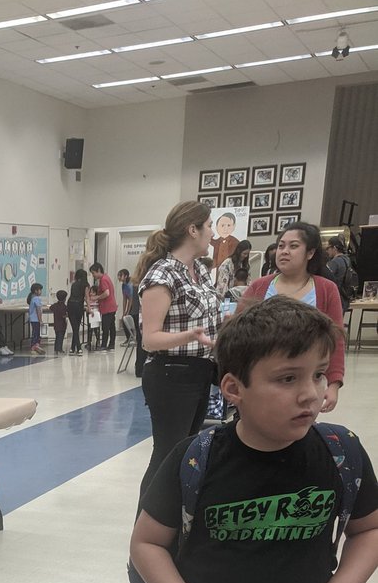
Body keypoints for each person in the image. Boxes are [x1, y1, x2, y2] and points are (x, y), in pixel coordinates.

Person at [130, 298, 378, 583]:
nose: (310, 395)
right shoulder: (196, 458)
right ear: (233, 389)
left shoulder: (341, 453)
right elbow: (146, 543)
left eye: (317, 375)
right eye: (287, 379)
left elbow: (369, 529)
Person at [134, 200, 220, 501]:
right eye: (209, 226)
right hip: (171, 375)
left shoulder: (198, 270)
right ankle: (145, 526)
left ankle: (172, 519)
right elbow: (150, 340)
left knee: (186, 451)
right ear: (192, 229)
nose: (213, 233)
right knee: (168, 454)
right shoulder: (162, 274)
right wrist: (188, 336)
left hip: (200, 372)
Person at [241, 221, 345, 412]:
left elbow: (336, 338)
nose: (284, 251)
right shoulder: (259, 286)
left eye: (293, 246)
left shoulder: (325, 289)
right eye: (281, 246)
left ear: (310, 253)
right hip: (260, 382)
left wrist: (334, 383)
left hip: (304, 385)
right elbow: (236, 333)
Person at [90, 263, 117, 350]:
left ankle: (104, 345)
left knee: (105, 327)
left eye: (93, 273)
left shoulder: (103, 280)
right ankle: (111, 344)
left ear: (98, 270)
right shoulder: (106, 277)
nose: (93, 275)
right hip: (112, 306)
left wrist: (97, 297)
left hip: (107, 307)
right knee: (111, 326)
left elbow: (106, 293)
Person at [325, 235, 355, 312]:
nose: (327, 251)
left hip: (334, 299)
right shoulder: (347, 260)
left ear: (334, 248)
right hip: (344, 299)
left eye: (328, 248)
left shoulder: (334, 262)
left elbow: (325, 279)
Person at [66, 270, 86, 355]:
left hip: (70, 305)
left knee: (75, 327)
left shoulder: (73, 284)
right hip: (79, 306)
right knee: (76, 327)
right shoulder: (85, 285)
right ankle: (78, 348)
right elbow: (87, 297)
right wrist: (88, 306)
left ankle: (72, 348)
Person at [117, 269, 134, 343]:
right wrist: (124, 311)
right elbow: (125, 298)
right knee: (124, 319)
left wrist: (128, 311)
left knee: (129, 320)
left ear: (126, 276)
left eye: (121, 275)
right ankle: (129, 338)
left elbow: (131, 299)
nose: (119, 277)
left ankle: (132, 338)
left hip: (134, 305)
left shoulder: (130, 285)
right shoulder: (123, 285)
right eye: (119, 275)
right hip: (129, 304)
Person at [27, 283, 45, 354]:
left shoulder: (32, 298)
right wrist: (40, 320)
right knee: (36, 333)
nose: (41, 292)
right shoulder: (36, 298)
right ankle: (34, 346)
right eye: (40, 290)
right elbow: (38, 310)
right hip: (36, 319)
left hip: (33, 319)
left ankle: (36, 346)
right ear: (36, 291)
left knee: (36, 333)